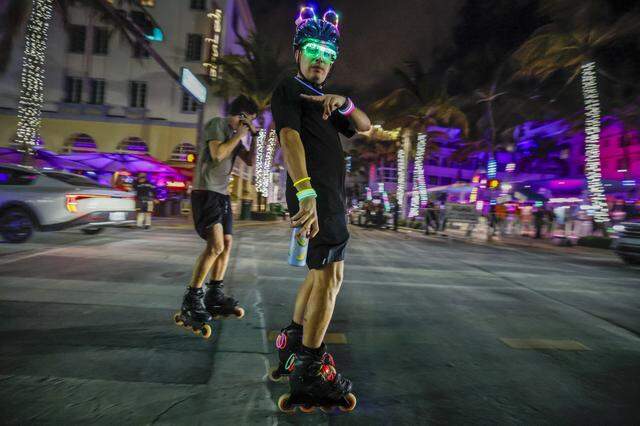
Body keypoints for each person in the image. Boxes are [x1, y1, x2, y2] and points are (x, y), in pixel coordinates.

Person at [269, 6, 371, 410]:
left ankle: (294, 342)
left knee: (316, 274)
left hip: (326, 197)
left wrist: (343, 102)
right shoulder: (289, 89)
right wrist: (306, 192)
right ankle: (310, 368)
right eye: (312, 49)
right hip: (318, 196)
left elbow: (364, 125)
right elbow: (289, 138)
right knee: (332, 278)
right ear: (298, 52)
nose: (320, 59)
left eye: (328, 54)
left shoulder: (328, 102)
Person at [176, 95, 258, 328]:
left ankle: (214, 294)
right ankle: (191, 299)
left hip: (222, 195)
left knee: (228, 243)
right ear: (241, 117)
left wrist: (255, 137)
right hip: (206, 192)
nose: (249, 125)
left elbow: (250, 162)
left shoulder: (236, 136)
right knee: (216, 246)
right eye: (249, 120)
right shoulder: (217, 124)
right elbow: (218, 154)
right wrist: (242, 134)